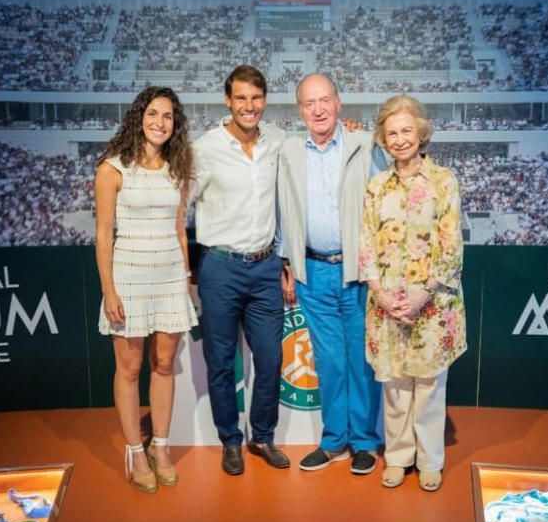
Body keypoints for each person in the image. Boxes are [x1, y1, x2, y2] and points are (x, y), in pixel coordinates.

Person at [359, 94, 467, 492]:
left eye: (407, 131)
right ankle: (399, 457)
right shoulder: (375, 187)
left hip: (433, 305)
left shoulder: (444, 181)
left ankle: (430, 460)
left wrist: (424, 293)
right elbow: (365, 242)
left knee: (428, 388)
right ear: (383, 139)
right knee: (395, 388)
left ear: (421, 133)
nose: (400, 139)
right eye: (392, 133)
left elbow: (451, 245)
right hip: (386, 304)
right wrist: (380, 293)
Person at [277, 73, 382, 475]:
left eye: (325, 101)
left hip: (357, 272)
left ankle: (363, 443)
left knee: (359, 360)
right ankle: (334, 440)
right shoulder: (288, 151)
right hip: (312, 272)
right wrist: (286, 262)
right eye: (309, 103)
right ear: (300, 110)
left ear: (339, 104)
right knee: (330, 361)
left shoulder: (364, 145)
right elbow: (281, 207)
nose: (318, 109)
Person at [95, 86, 197, 493]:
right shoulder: (112, 168)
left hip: (170, 277)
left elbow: (179, 230)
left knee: (166, 364)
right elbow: (103, 236)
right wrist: (109, 291)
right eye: (153, 114)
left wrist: (186, 279)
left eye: (168, 116)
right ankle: (136, 450)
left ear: (176, 124)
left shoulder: (177, 168)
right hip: (129, 279)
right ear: (139, 117)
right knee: (130, 368)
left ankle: (162, 446)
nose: (160, 122)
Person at [193, 65, 290, 475]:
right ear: (228, 101)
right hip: (220, 267)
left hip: (266, 266)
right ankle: (230, 441)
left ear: (264, 100)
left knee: (269, 360)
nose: (249, 106)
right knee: (220, 362)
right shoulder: (204, 148)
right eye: (241, 98)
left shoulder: (280, 142)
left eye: (256, 98)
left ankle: (262, 437)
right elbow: (181, 203)